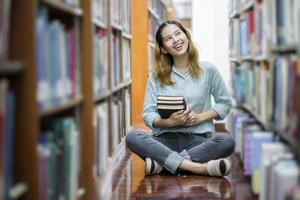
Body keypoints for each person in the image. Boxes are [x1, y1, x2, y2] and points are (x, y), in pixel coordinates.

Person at [125, 20, 235, 177]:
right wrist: (169, 122)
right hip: (163, 141)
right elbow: (148, 114)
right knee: (132, 137)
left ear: (187, 37)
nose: (176, 39)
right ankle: (198, 168)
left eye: (178, 33)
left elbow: (224, 103)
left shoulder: (208, 70)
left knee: (227, 142)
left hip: (198, 140)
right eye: (169, 38)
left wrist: (198, 118)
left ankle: (162, 164)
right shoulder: (155, 77)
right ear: (163, 48)